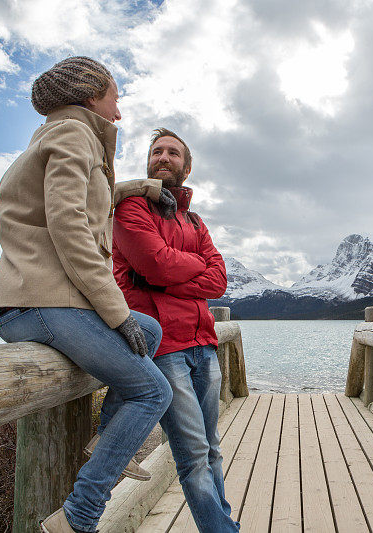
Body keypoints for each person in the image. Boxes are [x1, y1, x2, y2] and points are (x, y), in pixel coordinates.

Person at [0, 56, 177, 533]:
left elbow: (92, 196)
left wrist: (146, 188)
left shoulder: (62, 136)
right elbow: (69, 224)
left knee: (150, 328)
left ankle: (104, 441)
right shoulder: (75, 136)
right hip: (39, 302)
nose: (119, 108)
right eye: (114, 95)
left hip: (39, 300)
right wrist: (116, 313)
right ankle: (79, 517)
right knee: (153, 390)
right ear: (92, 96)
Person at [106, 128, 237, 532]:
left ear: (187, 165)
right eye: (157, 151)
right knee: (194, 455)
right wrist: (170, 272)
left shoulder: (194, 220)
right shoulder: (130, 209)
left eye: (173, 153)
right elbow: (154, 265)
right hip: (164, 348)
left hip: (204, 345)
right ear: (148, 161)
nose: (163, 157)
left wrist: (165, 277)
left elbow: (219, 281)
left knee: (212, 448)